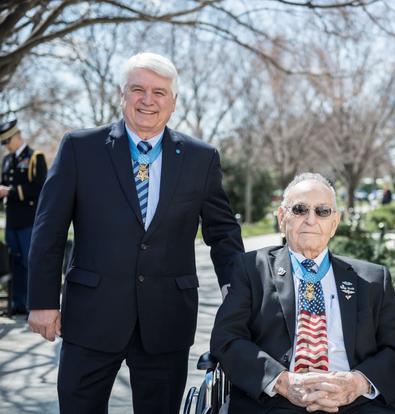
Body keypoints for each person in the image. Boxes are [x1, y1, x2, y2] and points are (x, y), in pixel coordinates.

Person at [27, 52, 244, 414]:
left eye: (160, 92)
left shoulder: (200, 158)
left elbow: (223, 233)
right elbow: (48, 228)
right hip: (91, 318)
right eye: (138, 89)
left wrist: (236, 291)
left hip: (167, 319)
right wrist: (42, 301)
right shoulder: (81, 148)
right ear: (121, 95)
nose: (148, 100)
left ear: (173, 102)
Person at [211, 173, 395, 414]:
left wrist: (357, 383)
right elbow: (227, 339)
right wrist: (283, 382)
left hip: (357, 402)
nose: (310, 220)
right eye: (299, 210)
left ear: (335, 223)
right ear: (281, 217)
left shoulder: (372, 279)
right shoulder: (251, 269)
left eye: (322, 211)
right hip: (276, 401)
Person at [0, 119, 47, 315]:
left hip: (29, 220)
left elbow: (38, 187)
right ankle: (17, 303)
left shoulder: (35, 157)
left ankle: (31, 304)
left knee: (29, 262)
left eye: (7, 141)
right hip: (12, 221)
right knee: (14, 263)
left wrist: (9, 192)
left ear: (17, 137)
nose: (5, 146)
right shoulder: (7, 160)